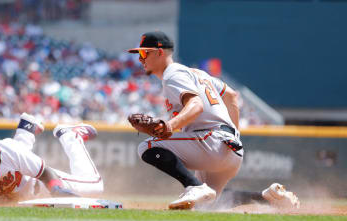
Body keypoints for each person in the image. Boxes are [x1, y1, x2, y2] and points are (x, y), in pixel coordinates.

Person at [127, 31, 299, 210]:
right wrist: (235, 135)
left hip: (211, 142)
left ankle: (193, 186)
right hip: (230, 149)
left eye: (143, 53)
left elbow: (196, 104)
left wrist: (169, 126)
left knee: (146, 147)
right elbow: (231, 96)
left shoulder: (172, 75)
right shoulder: (197, 74)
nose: (140, 58)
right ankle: (269, 198)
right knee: (206, 204)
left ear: (159, 52)